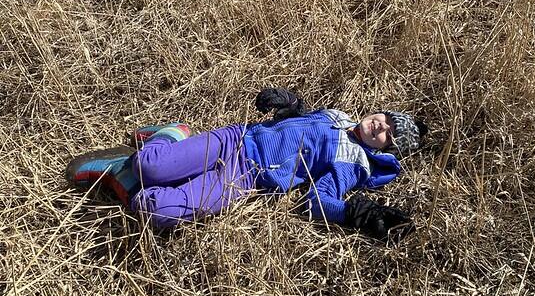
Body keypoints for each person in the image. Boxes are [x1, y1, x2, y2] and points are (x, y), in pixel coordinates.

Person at [66, 88, 427, 238]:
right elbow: (300, 122)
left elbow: (316, 201)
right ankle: (171, 134)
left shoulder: (352, 164)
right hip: (236, 139)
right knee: (150, 167)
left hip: (245, 177)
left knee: (159, 212)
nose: (380, 125)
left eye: (387, 135)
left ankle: (119, 176)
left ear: (383, 151)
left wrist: (354, 214)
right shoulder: (338, 114)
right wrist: (292, 106)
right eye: (386, 118)